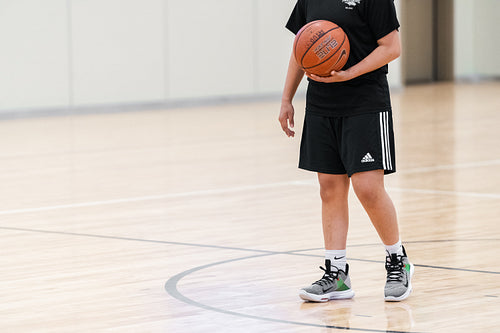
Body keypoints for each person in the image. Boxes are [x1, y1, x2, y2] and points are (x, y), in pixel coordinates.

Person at [279, 0, 414, 302]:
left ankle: (397, 260)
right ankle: (337, 274)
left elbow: (391, 47)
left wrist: (349, 73)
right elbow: (301, 47)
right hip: (322, 104)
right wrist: (287, 98)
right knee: (329, 188)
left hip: (365, 102)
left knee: (368, 188)